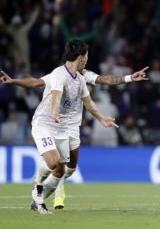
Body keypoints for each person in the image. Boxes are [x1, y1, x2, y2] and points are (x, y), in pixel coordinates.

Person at [0, 67, 148, 210]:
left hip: (73, 127)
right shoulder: (57, 75)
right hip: (56, 123)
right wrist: (13, 81)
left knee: (71, 168)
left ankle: (50, 188)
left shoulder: (83, 75)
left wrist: (129, 78)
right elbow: (36, 82)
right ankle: (45, 192)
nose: (85, 61)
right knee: (57, 165)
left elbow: (106, 80)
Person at [23, 39, 117, 214]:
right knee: (54, 163)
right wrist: (54, 112)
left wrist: (102, 119)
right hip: (46, 122)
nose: (88, 58)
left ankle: (38, 202)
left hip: (65, 126)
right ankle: (37, 182)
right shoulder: (59, 74)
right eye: (86, 55)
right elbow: (56, 95)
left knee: (63, 170)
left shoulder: (80, 79)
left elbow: (88, 103)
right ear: (81, 57)